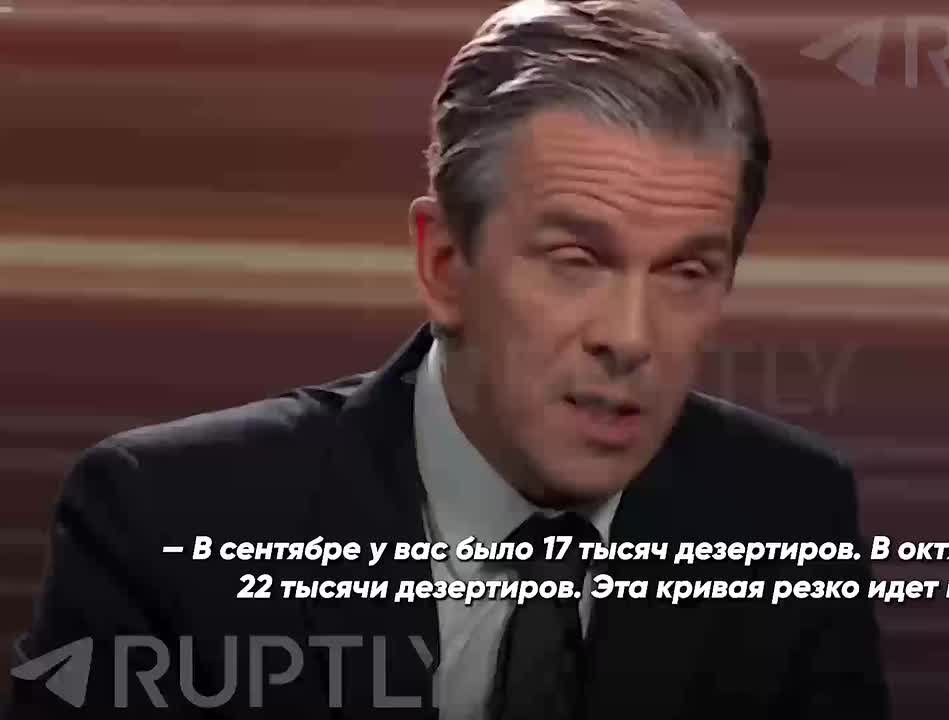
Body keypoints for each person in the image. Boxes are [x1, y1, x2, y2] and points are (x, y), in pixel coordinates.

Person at [7, 1, 888, 718]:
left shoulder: (788, 515)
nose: (630, 337)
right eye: (576, 260)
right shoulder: (164, 525)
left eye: (686, 272)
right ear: (443, 264)